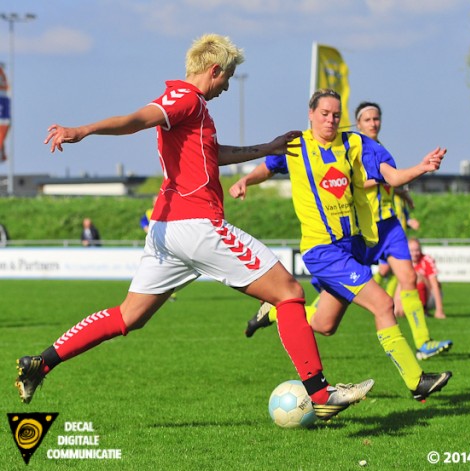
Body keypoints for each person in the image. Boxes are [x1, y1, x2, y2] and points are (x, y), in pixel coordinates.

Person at [15, 34, 373, 421]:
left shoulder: (194, 109)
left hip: (166, 230)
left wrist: (265, 148)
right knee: (288, 293)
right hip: (197, 225)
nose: (227, 86)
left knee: (128, 316)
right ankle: (320, 393)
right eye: (227, 78)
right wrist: (82, 130)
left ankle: (41, 363)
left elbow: (212, 155)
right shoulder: (185, 98)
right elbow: (138, 119)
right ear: (214, 70)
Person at [229, 88, 452, 403]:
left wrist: (422, 167)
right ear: (311, 114)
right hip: (322, 250)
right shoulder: (296, 146)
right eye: (324, 114)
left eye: (336, 115)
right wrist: (245, 181)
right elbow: (268, 166)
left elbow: (393, 177)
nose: (331, 120)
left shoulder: (357, 144)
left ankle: (276, 314)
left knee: (324, 324)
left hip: (354, 248)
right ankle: (417, 381)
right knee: (384, 304)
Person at [351, 101, 451, 359]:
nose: (374, 123)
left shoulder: (380, 149)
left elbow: (390, 178)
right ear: (358, 123)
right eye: (368, 119)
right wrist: (388, 179)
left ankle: (424, 343)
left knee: (408, 278)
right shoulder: (351, 148)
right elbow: (355, 182)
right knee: (335, 295)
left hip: (390, 225)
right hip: (365, 227)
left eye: (377, 118)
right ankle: (278, 312)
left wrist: (403, 194)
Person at [402, 237, 446, 319]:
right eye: (411, 250)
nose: (415, 253)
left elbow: (435, 285)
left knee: (417, 276)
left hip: (430, 296)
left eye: (417, 250)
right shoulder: (403, 261)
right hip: (408, 295)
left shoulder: (427, 260)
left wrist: (439, 310)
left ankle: (423, 309)